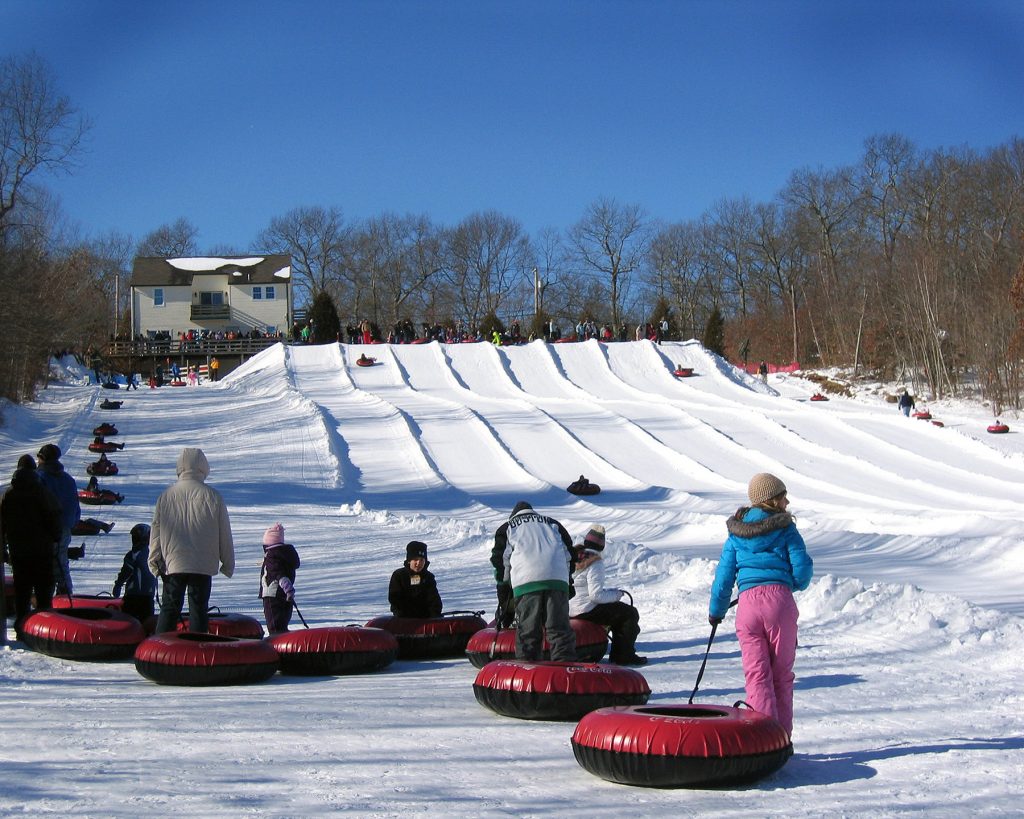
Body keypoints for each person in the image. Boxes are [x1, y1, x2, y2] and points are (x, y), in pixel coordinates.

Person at [708, 473, 813, 737]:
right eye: (783, 496)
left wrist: (716, 611)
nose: (787, 501)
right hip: (779, 603)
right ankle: (781, 739)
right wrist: (789, 584)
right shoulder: (786, 529)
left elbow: (723, 579)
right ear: (772, 500)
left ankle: (763, 738)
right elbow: (802, 570)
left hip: (748, 607)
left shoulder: (736, 535)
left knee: (757, 676)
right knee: (781, 676)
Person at [149, 448, 235, 634]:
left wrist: (154, 560)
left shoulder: (166, 496)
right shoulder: (213, 497)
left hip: (173, 562)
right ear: (203, 467)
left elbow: (156, 531)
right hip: (203, 564)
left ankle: (161, 649)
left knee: (169, 609)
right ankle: (198, 652)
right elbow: (224, 533)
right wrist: (228, 564)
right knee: (198, 610)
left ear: (180, 467)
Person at [491, 501, 576, 661]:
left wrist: (505, 591)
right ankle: (566, 670)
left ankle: (527, 669)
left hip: (526, 582)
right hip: (557, 579)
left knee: (528, 631)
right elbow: (569, 555)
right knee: (559, 629)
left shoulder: (509, 527)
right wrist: (567, 582)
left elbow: (500, 562)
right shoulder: (553, 524)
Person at [569, 524, 646, 666]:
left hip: (570, 608)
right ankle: (624, 655)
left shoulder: (574, 556)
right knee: (629, 613)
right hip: (585, 610)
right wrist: (616, 595)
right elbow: (595, 596)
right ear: (602, 546)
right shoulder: (595, 562)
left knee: (616, 611)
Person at [1, 462, 62, 626]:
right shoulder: (42, 493)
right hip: (42, 549)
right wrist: (56, 537)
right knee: (44, 588)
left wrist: (4, 547)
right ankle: (45, 623)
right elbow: (53, 517)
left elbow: (2, 524)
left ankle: (22, 623)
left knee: (22, 590)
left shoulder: (8, 495)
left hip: (18, 550)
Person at [35, 443, 80, 596]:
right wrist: (72, 522)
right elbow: (76, 504)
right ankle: (65, 595)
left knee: (46, 565)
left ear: (42, 458)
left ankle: (49, 599)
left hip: (46, 529)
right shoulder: (68, 479)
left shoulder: (40, 478)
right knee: (61, 562)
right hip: (65, 527)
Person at [259, 522, 300, 634]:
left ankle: (277, 647)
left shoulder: (272, 556)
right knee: (282, 625)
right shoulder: (284, 555)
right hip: (285, 596)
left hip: (272, 595)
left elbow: (279, 574)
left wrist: (288, 588)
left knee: (275, 628)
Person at [112, 524, 158, 623]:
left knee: (128, 622)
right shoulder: (153, 554)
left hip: (133, 595)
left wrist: (118, 585)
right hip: (149, 595)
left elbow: (126, 571)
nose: (134, 540)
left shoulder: (133, 555)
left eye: (136, 538)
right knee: (146, 622)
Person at [388, 540, 442, 619]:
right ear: (409, 561)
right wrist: (403, 615)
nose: (418, 563)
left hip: (426, 620)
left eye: (421, 560)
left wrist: (434, 615)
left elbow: (434, 600)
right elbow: (395, 599)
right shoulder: (399, 575)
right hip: (404, 620)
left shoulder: (428, 577)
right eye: (415, 559)